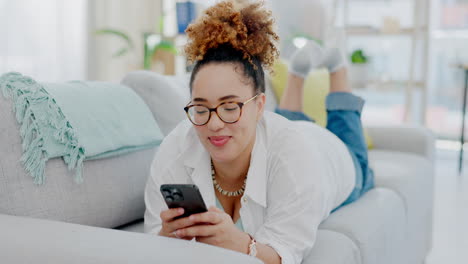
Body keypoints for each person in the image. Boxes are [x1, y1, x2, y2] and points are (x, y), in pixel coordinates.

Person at [143, 1, 374, 264]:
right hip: (274, 134)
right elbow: (152, 241)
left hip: (329, 155)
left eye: (230, 107)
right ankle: (297, 75)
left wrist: (238, 242)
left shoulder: (296, 161)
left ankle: (337, 65)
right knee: (277, 128)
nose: (214, 124)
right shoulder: (176, 147)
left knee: (349, 138)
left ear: (260, 105)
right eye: (201, 107)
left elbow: (284, 254)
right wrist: (166, 236)